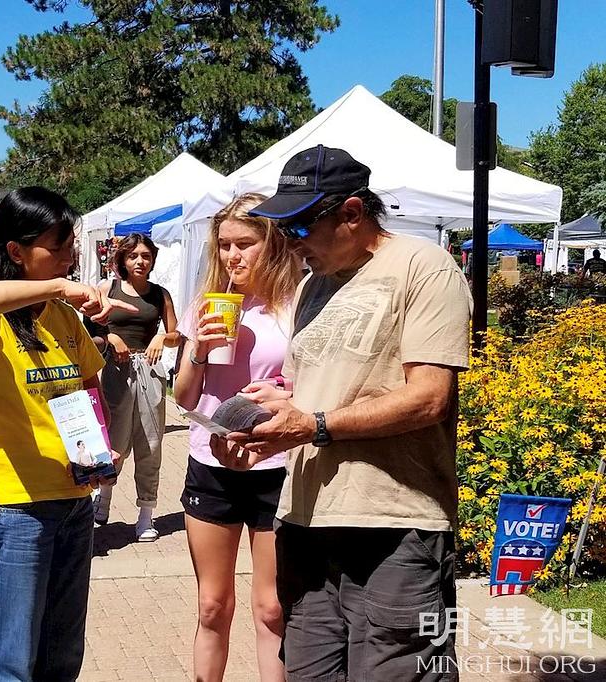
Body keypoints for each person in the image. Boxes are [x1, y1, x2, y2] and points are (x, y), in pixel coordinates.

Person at [212, 145, 472, 680]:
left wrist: (314, 425)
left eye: (300, 226)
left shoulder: (424, 267)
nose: (288, 241)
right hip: (307, 521)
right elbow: (318, 394)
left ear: (352, 213)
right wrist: (265, 417)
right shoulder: (312, 284)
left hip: (395, 525)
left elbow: (429, 396)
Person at [0, 186, 136, 681]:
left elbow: (87, 384)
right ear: (15, 250)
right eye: (58, 244)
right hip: (14, 508)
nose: (70, 254)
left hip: (74, 500)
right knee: (13, 660)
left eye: (70, 242)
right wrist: (57, 287)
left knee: (61, 654)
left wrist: (100, 446)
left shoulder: (63, 317)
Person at [173, 193, 301, 682]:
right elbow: (185, 398)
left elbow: (313, 384)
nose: (232, 256)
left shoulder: (296, 307)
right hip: (213, 464)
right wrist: (199, 351)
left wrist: (284, 393)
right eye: (224, 245)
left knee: (272, 608)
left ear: (273, 243)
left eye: (245, 244)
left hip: (277, 467)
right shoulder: (208, 305)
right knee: (211, 605)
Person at [90, 233, 179, 540]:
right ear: (123, 261)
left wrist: (161, 338)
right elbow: (90, 325)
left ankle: (146, 513)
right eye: (133, 256)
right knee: (115, 441)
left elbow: (176, 333)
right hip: (116, 370)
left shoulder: (159, 294)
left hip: (151, 370)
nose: (140, 261)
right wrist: (111, 336)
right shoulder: (108, 288)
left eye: (146, 256)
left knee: (150, 442)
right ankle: (104, 496)